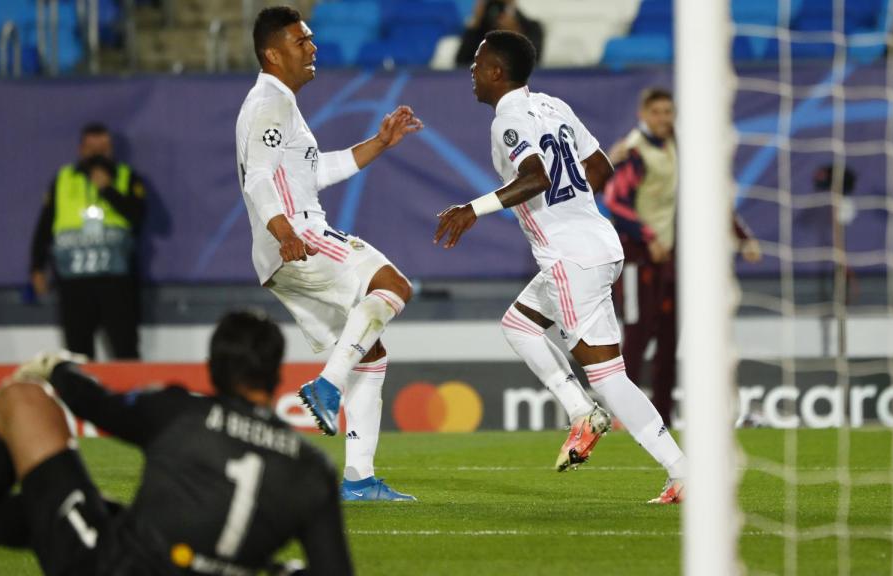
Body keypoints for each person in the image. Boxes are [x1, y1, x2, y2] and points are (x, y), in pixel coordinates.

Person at [0, 310, 353, 575]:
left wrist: (57, 367)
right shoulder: (312, 469)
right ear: (276, 375)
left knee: (22, 402)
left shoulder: (180, 414)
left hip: (107, 568)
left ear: (213, 369)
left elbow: (94, 403)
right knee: (105, 511)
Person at [435, 30, 686, 503]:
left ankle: (680, 470)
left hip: (570, 258)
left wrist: (473, 209)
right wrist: (572, 209)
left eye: (478, 62)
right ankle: (580, 411)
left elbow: (536, 177)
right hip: (599, 246)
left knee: (608, 378)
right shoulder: (554, 106)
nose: (472, 69)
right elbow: (601, 168)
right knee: (519, 325)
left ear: (496, 72)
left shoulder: (508, 120)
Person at [236, 6, 423, 502]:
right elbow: (257, 178)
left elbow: (316, 171)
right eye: (301, 41)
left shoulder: (281, 105)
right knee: (394, 286)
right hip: (296, 235)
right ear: (273, 54)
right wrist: (283, 229)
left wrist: (379, 143)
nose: (312, 47)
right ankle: (327, 387)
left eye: (311, 38)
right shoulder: (269, 103)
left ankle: (358, 479)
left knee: (370, 349)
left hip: (285, 246)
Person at [603, 88, 761, 426]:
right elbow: (615, 201)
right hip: (637, 260)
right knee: (637, 335)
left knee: (668, 339)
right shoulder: (634, 152)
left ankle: (662, 417)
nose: (663, 118)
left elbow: (709, 195)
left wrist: (741, 236)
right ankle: (623, 415)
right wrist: (648, 237)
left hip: (670, 262)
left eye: (668, 112)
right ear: (642, 114)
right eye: (656, 112)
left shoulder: (677, 147)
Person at [29, 122, 146, 360]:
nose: (98, 155)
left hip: (116, 282)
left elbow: (139, 217)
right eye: (92, 149)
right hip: (74, 283)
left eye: (103, 149)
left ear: (111, 150)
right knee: (77, 353)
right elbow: (44, 226)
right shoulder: (63, 179)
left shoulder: (126, 177)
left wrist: (108, 189)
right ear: (81, 149)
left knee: (125, 350)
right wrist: (36, 267)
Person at [454, 0, 544, 68]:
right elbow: (461, 62)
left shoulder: (532, 27)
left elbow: (534, 63)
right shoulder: (481, 29)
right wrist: (476, 23)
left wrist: (516, 34)